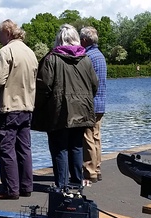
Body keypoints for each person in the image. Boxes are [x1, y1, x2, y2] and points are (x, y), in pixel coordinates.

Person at [31, 24, 98, 190]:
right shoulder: (86, 59)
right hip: (82, 109)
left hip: (59, 110)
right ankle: (76, 181)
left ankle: (61, 184)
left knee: (59, 147)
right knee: (76, 146)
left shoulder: (51, 58)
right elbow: (94, 85)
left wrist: (37, 107)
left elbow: (43, 87)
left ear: (59, 40)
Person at [0, 20, 38, 200]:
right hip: (27, 107)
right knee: (24, 148)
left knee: (5, 148)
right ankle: (26, 187)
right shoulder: (30, 52)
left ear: (7, 33)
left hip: (7, 108)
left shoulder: (5, 52)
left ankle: (11, 189)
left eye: (0, 34)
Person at [80, 26, 107, 185]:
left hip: (90, 103)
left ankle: (90, 172)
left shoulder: (88, 56)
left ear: (84, 40)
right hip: (101, 103)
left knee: (88, 138)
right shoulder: (100, 55)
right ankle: (97, 169)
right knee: (96, 137)